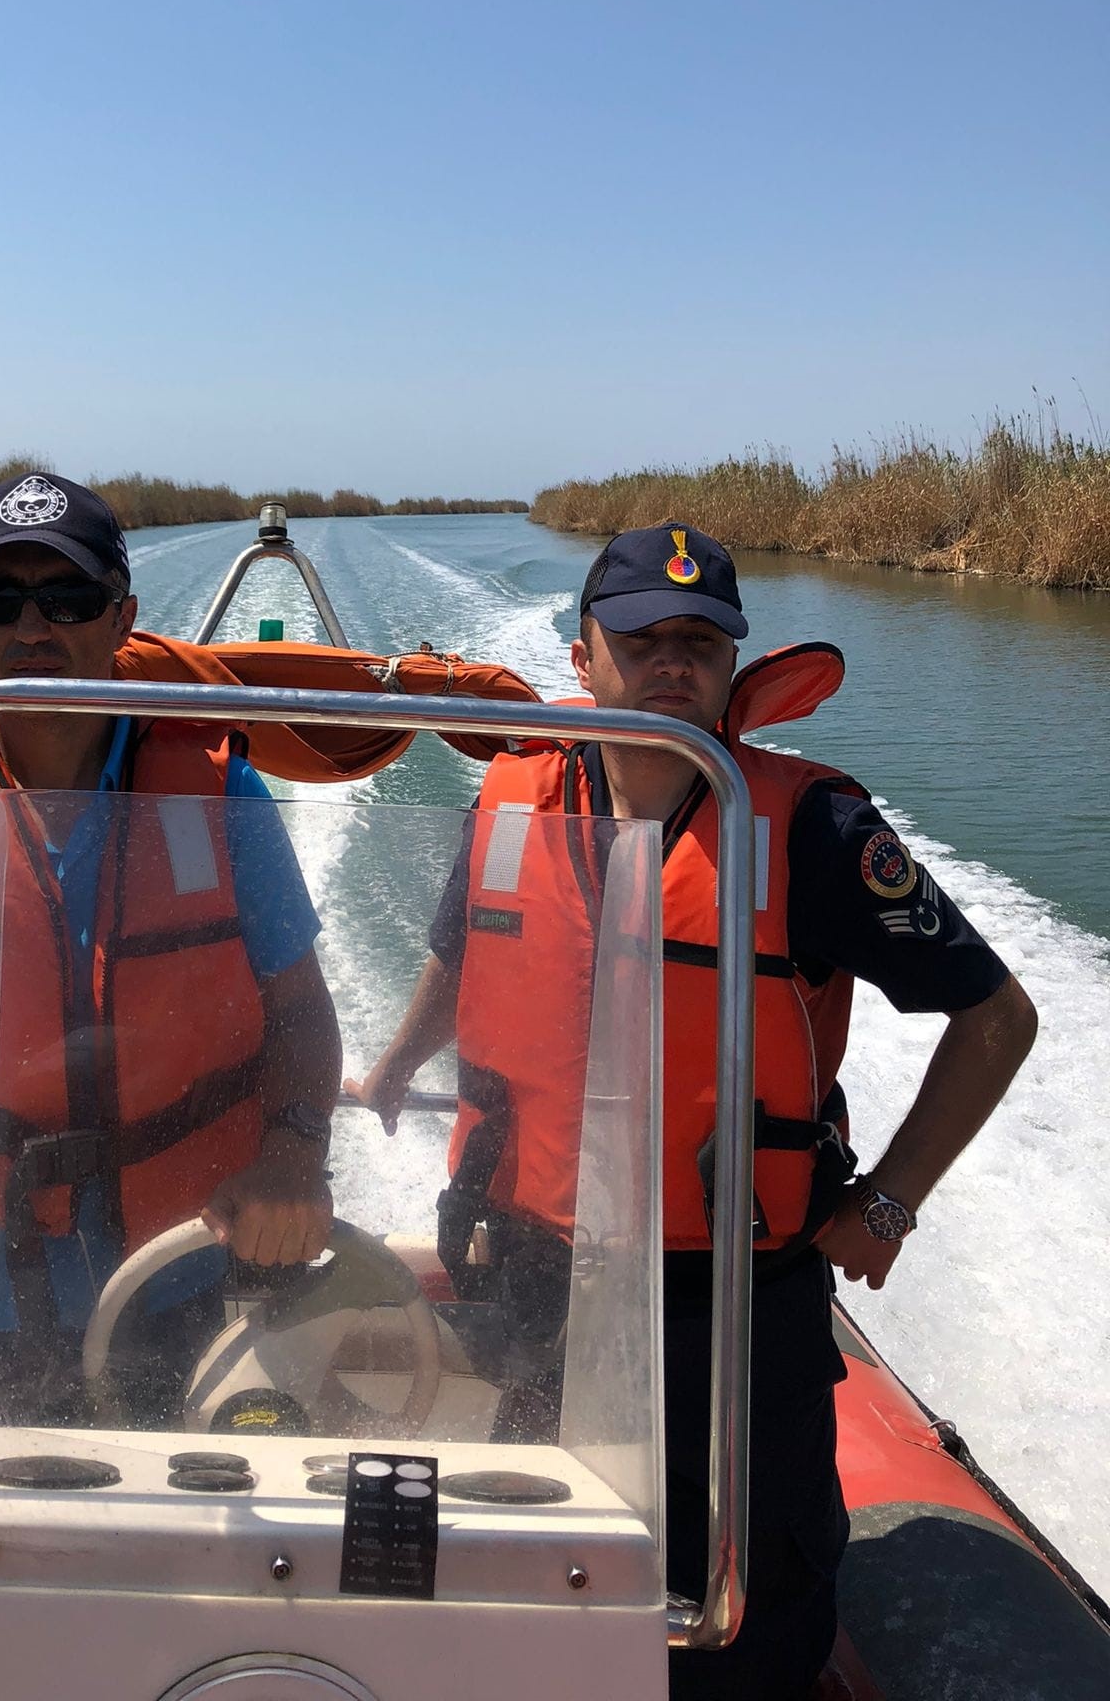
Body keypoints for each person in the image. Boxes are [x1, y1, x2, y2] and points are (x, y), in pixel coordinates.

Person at [349, 522, 1037, 1699]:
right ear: (585, 657)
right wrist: (396, 1061)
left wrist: (887, 1202)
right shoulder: (512, 796)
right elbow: (465, 953)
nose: (674, 661)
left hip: (727, 1293)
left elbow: (997, 1018)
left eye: (701, 641)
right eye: (643, 637)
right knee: (523, 1558)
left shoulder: (813, 830)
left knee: (748, 1610)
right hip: (529, 1261)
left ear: (731, 666)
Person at [0, 473, 340, 1512]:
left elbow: (302, 1012)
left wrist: (293, 1147)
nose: (33, 624)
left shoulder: (219, 794)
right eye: (0, 599)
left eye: (69, 597)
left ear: (123, 615)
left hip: (183, 1272)